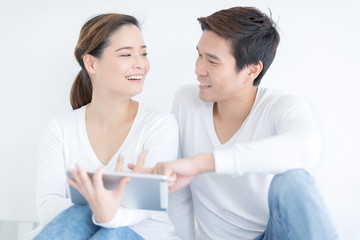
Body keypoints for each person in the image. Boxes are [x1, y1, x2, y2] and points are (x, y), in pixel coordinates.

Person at [147, 7, 339, 240]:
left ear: (251, 70)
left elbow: (306, 149)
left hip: (270, 235)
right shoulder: (187, 100)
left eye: (213, 61)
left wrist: (202, 163)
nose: (198, 70)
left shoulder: (280, 105)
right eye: (199, 54)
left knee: (291, 180)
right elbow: (177, 191)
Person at [26, 13, 179, 240]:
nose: (141, 64)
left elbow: (145, 208)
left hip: (143, 235)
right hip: (77, 230)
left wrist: (106, 209)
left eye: (143, 53)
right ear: (91, 63)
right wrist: (107, 202)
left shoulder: (159, 125)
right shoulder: (59, 129)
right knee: (80, 216)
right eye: (127, 54)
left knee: (111, 234)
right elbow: (48, 209)